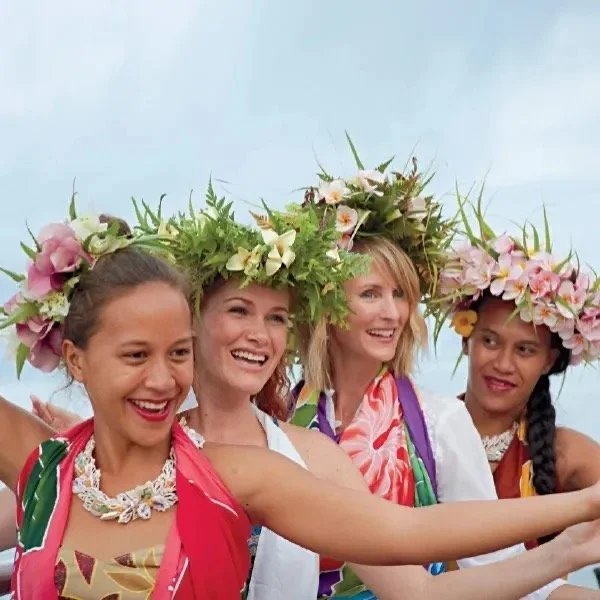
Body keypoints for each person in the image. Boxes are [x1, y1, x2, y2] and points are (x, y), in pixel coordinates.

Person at [6, 195, 600, 600]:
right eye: (239, 310)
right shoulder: (69, 466)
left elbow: (409, 554)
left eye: (277, 319)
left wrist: (570, 536)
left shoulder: (280, 462)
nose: (259, 335)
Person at [289, 142, 600, 597]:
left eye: (401, 295)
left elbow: (505, 568)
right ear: (327, 305)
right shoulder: (280, 413)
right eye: (371, 293)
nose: (392, 313)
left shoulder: (437, 426)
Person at [439, 199, 600, 549]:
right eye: (490, 341)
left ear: (548, 360)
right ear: (467, 340)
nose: (503, 364)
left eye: (525, 350)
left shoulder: (566, 453)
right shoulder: (419, 433)